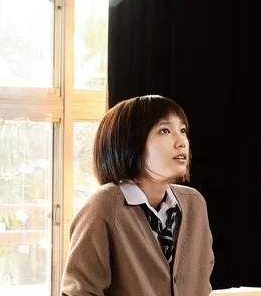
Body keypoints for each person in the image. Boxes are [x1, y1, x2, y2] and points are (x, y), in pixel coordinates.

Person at [61, 95, 214, 296]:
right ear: (130, 142)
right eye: (165, 131)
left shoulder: (194, 203)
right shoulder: (105, 205)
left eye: (183, 130)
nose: (181, 142)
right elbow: (81, 291)